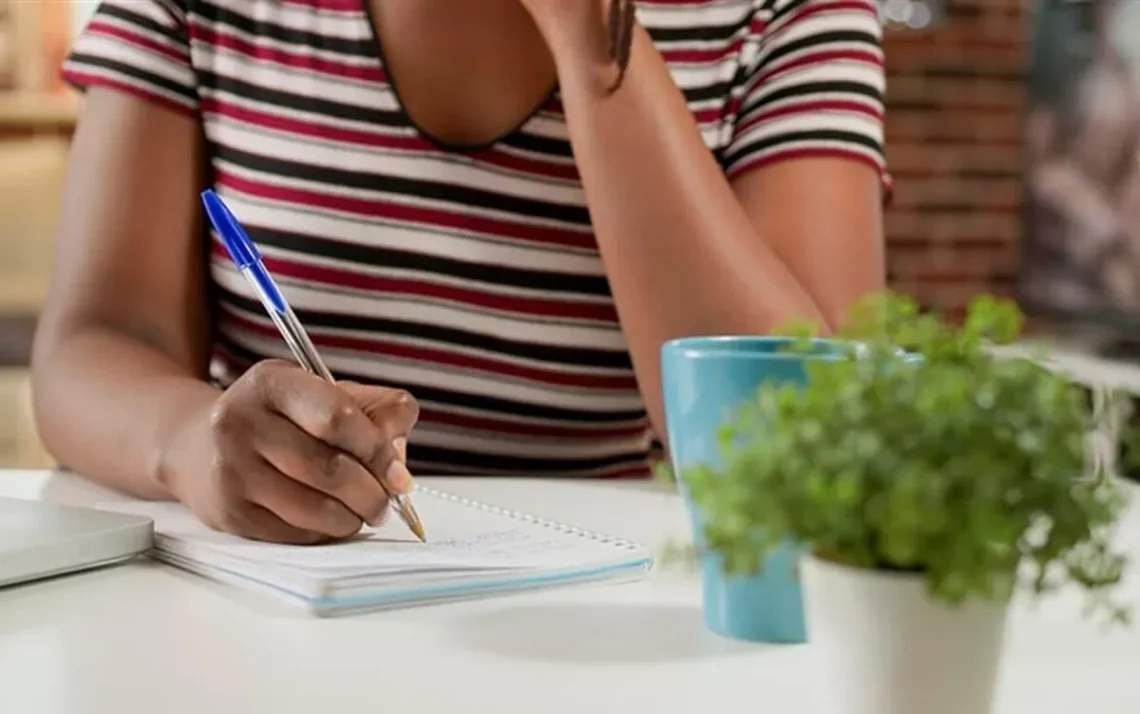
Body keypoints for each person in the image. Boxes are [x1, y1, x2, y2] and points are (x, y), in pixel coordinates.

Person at [31, 0, 888, 544]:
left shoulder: (787, 12)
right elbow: (94, 343)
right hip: (266, 612)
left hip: (601, 618)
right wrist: (193, 440)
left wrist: (589, 34)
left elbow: (812, 443)